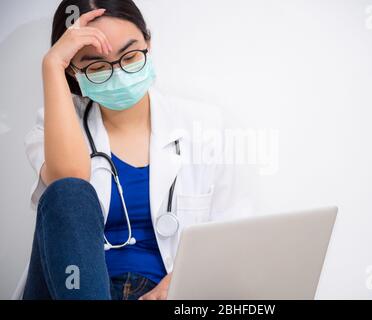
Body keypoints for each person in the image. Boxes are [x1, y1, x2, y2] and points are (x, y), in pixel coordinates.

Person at [14, 0, 252, 300]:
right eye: (96, 65)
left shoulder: (205, 125)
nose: (118, 74)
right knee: (69, 192)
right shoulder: (53, 128)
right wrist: (51, 65)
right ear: (73, 71)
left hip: (166, 293)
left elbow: (235, 232)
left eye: (129, 56)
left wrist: (178, 284)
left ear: (148, 44)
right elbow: (70, 183)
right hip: (73, 291)